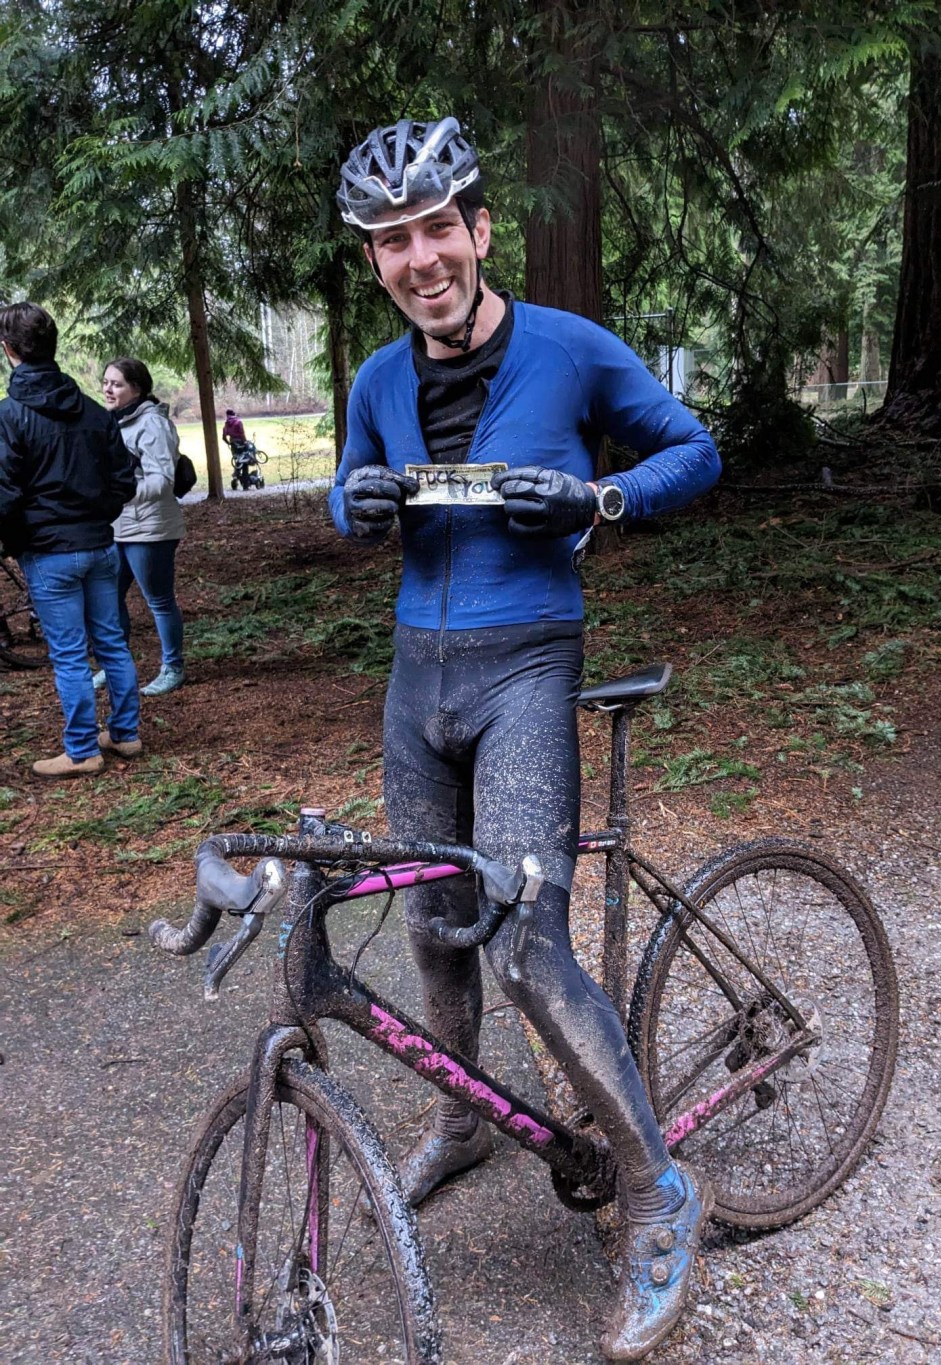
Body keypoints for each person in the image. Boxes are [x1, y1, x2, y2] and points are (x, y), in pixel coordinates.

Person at [329, 117, 722, 1362]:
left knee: (524, 949)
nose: (420, 256)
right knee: (436, 931)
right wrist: (360, 502)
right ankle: (461, 1122)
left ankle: (659, 1193)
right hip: (415, 683)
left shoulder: (568, 348)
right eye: (393, 241)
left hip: (526, 673)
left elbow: (694, 448)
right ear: (377, 262)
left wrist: (600, 495)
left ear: (480, 229)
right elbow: (345, 496)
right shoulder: (378, 380)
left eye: (437, 227)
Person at [0, 302, 142, 777]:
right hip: (98, 546)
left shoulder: (9, 415)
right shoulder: (93, 412)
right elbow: (124, 480)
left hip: (51, 552)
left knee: (70, 654)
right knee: (111, 643)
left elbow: (3, 493)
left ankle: (83, 749)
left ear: (10, 351)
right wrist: (97, 516)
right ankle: (125, 734)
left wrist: (18, 540)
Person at [96, 358, 186, 696]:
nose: (108, 389)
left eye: (117, 384)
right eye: (105, 382)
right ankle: (113, 665)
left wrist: (116, 496)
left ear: (137, 388)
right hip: (117, 526)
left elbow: (162, 481)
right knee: (109, 597)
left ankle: (173, 667)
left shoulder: (152, 425)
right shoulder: (114, 422)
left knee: (159, 600)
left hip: (151, 529)